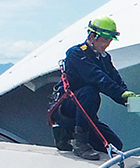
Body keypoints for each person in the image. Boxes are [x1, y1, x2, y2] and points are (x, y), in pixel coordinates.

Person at [48, 16, 135, 160]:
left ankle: (68, 134)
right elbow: (97, 78)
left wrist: (127, 97)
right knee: (90, 92)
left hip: (84, 115)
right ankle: (80, 143)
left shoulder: (104, 58)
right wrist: (121, 93)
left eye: (110, 40)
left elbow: (115, 79)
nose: (107, 44)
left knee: (115, 145)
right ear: (93, 36)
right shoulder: (76, 53)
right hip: (67, 108)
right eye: (105, 39)